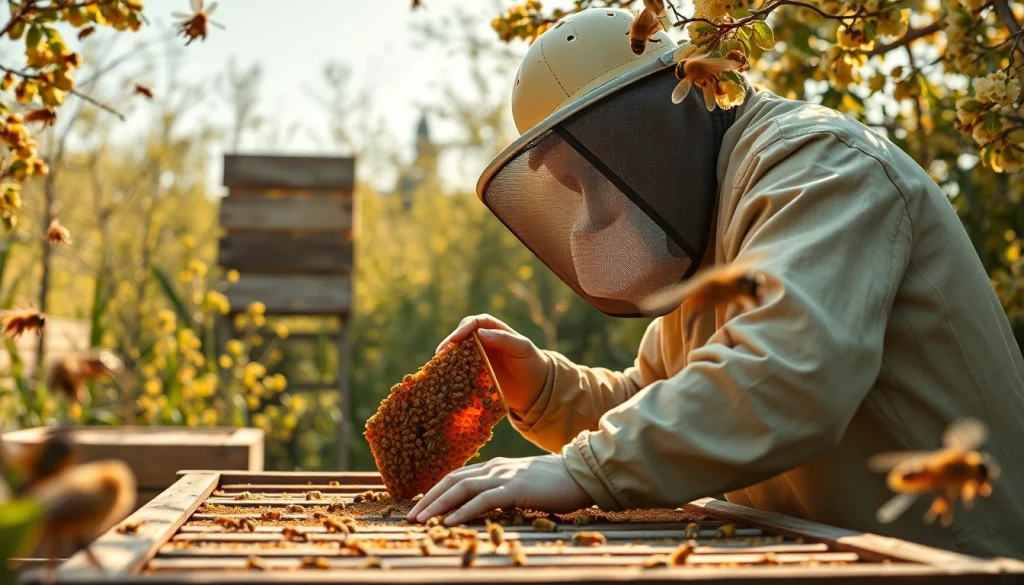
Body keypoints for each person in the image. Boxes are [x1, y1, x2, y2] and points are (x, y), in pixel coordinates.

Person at [406, 7, 1024, 558]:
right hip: (847, 557)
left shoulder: (820, 163)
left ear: (649, 123)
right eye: (574, 188)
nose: (590, 214)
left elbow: (789, 371)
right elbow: (663, 399)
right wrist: (543, 387)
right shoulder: (706, 228)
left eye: (595, 173)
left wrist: (585, 469)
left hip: (963, 560)